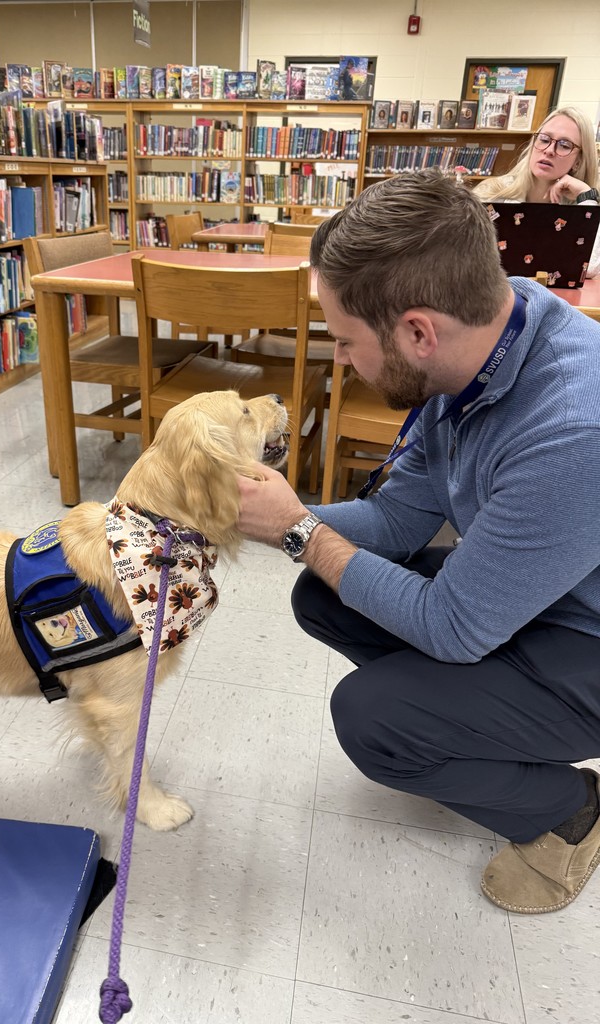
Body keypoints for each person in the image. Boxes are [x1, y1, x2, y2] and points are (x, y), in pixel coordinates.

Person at [237, 168, 600, 915]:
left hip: (588, 636)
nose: (341, 359)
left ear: (416, 332)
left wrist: (300, 529)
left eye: (344, 341)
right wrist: (260, 514)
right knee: (325, 595)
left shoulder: (571, 427)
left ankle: (566, 807)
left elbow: (454, 627)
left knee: (373, 721)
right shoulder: (488, 340)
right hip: (539, 593)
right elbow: (401, 524)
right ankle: (476, 735)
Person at [473, 106, 600, 276]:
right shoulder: (490, 194)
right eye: (544, 139)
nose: (548, 150)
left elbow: (590, 268)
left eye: (564, 145)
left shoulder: (581, 206)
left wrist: (585, 195)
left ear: (578, 161)